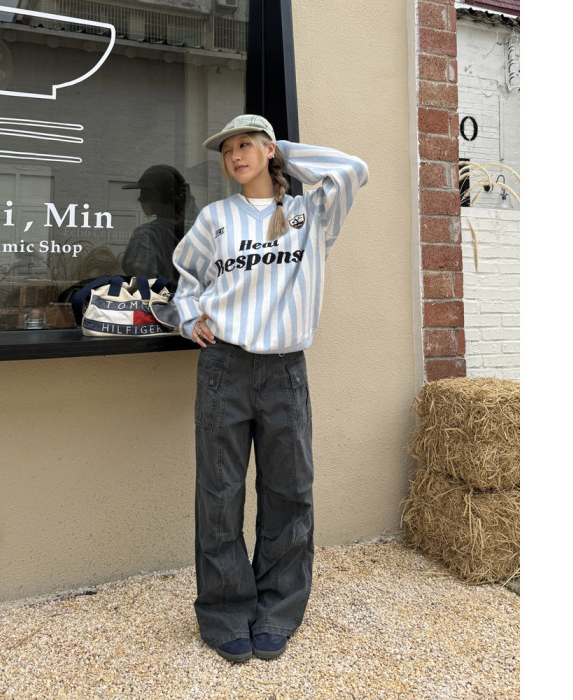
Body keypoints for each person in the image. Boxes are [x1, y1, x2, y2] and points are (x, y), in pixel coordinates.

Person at [172, 114, 368, 663]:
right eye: (227, 150)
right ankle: (225, 612)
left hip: (284, 370)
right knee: (219, 493)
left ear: (268, 151)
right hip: (224, 368)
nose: (235, 156)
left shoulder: (310, 214)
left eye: (246, 145)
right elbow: (186, 278)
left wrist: (284, 153)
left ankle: (278, 610)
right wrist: (188, 319)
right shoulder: (215, 218)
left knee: (289, 490)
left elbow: (353, 169)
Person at [122, 164, 196, 290]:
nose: (139, 199)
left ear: (156, 196)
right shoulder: (196, 230)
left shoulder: (145, 234)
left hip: (158, 300)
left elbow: (143, 281)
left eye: (144, 193)